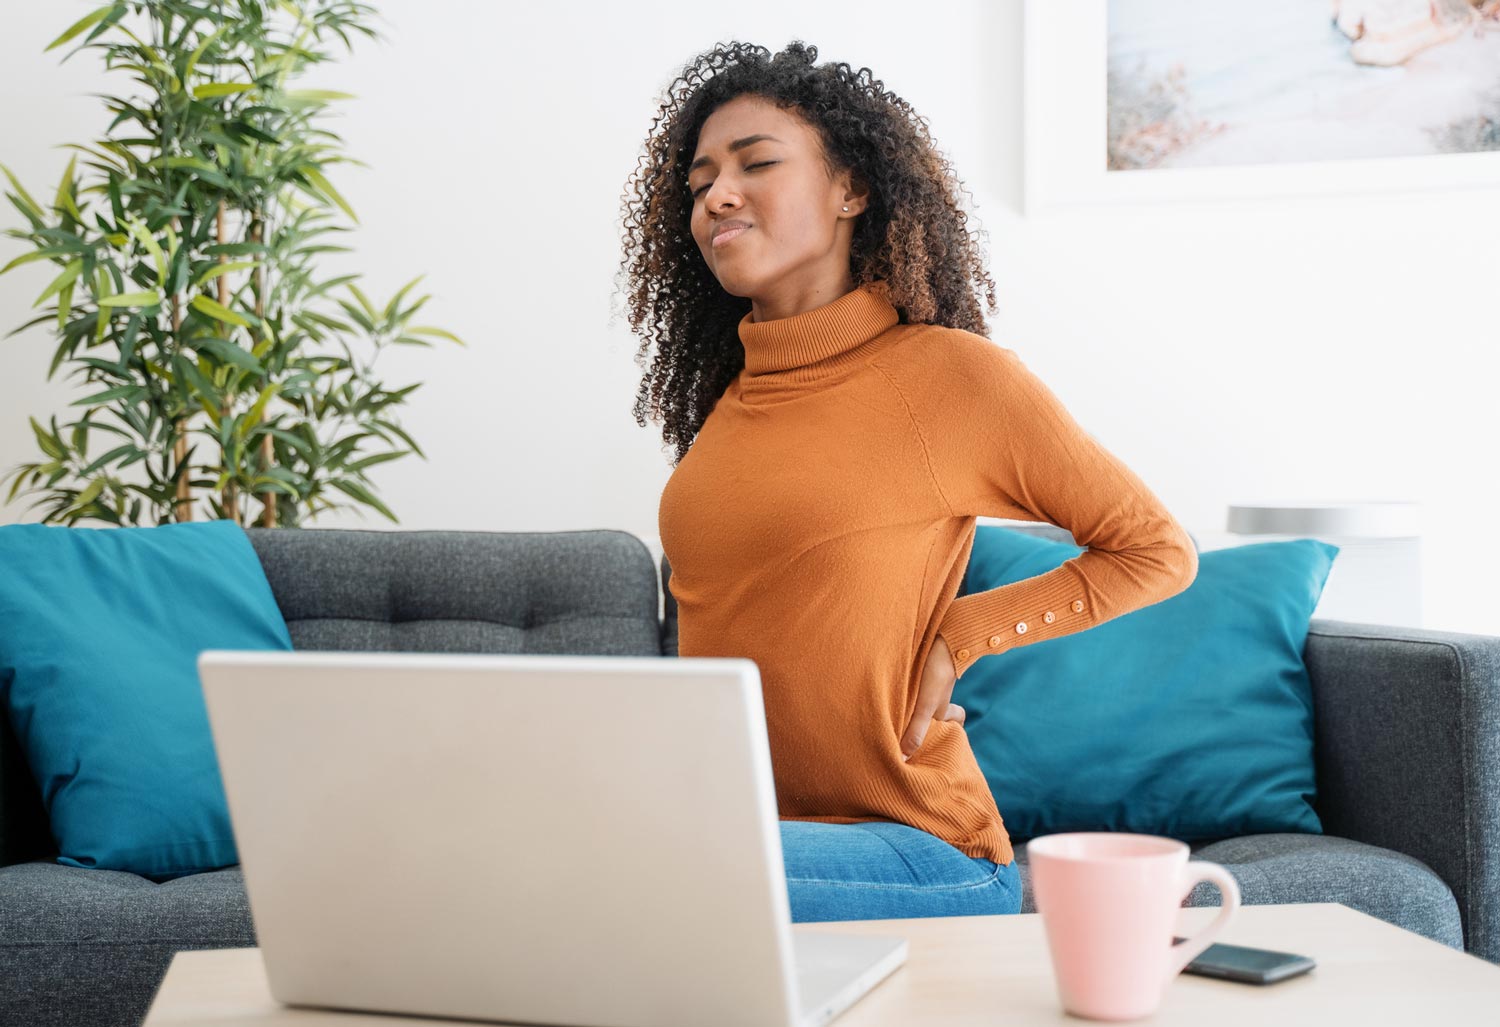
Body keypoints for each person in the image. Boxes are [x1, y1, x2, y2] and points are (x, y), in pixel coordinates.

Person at [616, 40, 1197, 923]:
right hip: (743, 834)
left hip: (921, 849)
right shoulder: (729, 404)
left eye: (755, 164)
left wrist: (964, 632)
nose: (717, 197)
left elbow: (1156, 550)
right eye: (699, 184)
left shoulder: (949, 379)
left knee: (631, 878)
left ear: (850, 189)